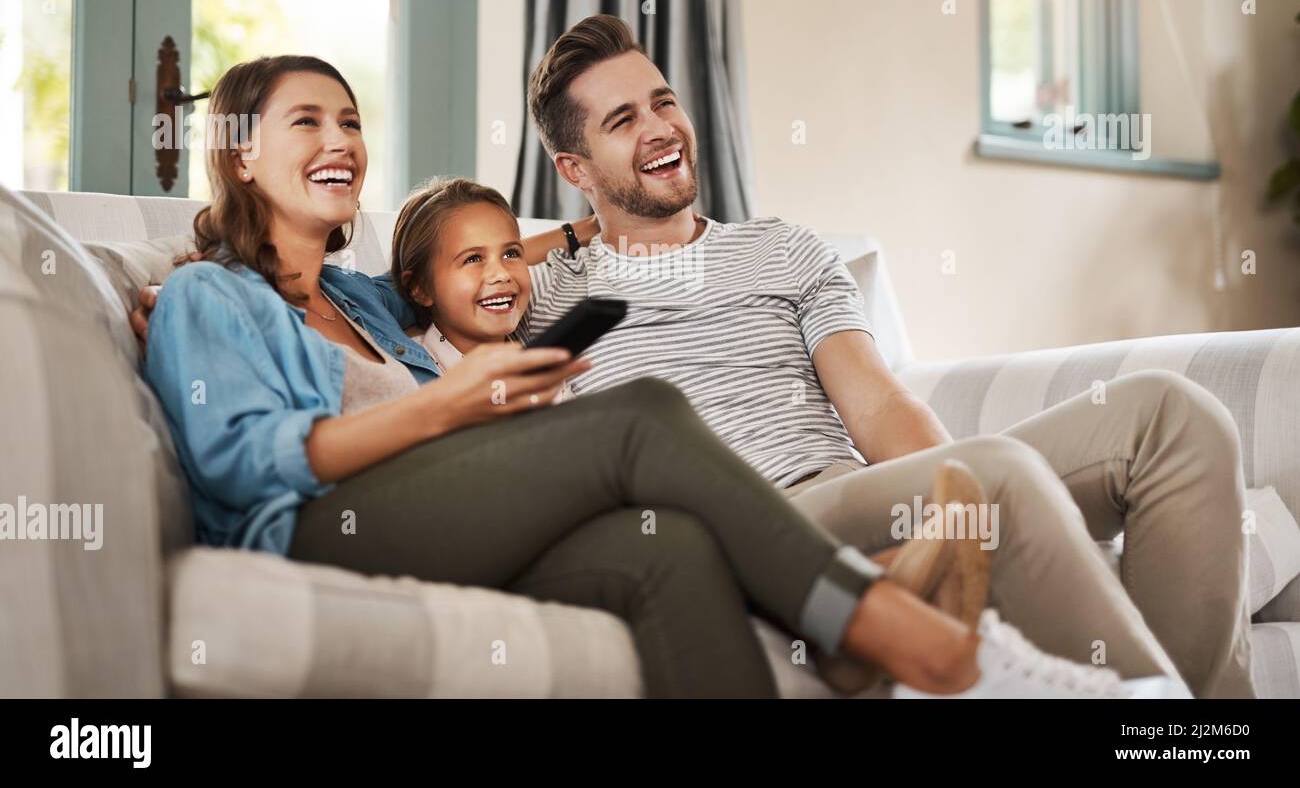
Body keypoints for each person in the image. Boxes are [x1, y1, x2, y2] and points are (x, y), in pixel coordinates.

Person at [140, 54, 1179, 698]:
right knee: (637, 415)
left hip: (439, 513)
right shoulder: (209, 298)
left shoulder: (367, 300)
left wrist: (586, 230)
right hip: (321, 527)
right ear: (237, 155)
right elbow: (244, 467)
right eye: (307, 123)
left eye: (352, 121)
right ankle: (899, 633)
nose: (341, 141)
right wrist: (449, 405)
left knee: (667, 546)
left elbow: (462, 257)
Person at [499, 14, 1252, 698]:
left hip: (851, 492)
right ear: (575, 169)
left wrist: (957, 506)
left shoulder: (782, 248)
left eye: (664, 102)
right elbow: (409, 284)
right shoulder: (540, 296)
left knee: (1173, 418)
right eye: (623, 121)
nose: (661, 127)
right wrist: (573, 235)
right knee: (997, 480)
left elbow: (878, 401)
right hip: (755, 525)